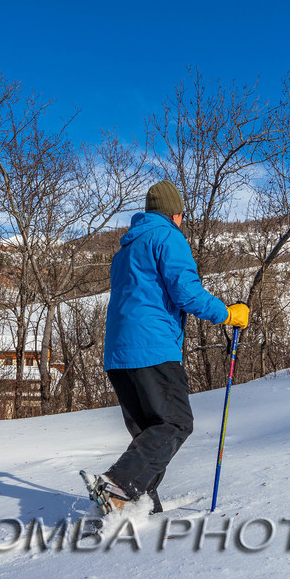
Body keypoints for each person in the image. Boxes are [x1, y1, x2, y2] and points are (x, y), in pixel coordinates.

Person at [92, 180, 249, 514]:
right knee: (176, 422)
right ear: (175, 213)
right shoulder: (168, 237)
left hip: (118, 355)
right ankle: (119, 484)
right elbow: (187, 295)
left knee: (148, 433)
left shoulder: (125, 250)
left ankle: (139, 507)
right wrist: (228, 315)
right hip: (153, 348)